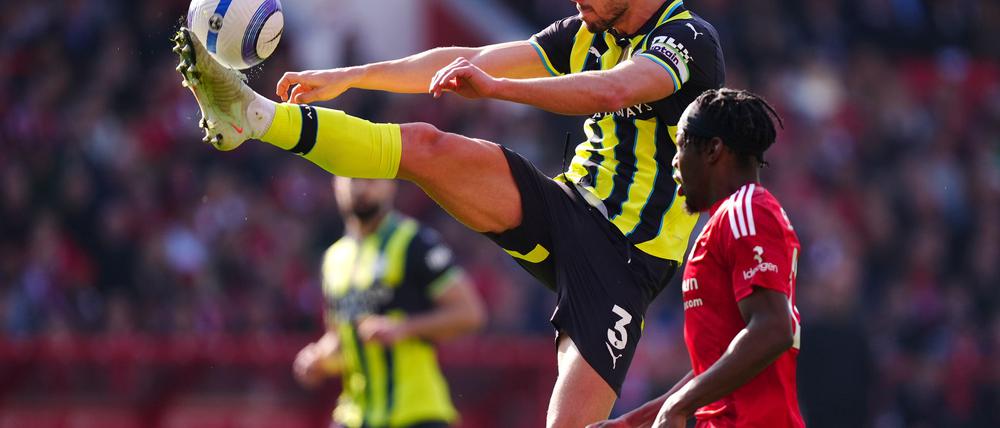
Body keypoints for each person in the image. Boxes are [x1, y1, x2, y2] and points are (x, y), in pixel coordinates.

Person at [172, 0, 724, 424]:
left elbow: (614, 90)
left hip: (627, 260)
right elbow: (464, 61)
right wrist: (348, 76)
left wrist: (497, 89)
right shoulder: (586, 30)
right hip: (566, 206)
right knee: (429, 147)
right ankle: (255, 117)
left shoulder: (688, 38)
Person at [589, 88, 804, 427]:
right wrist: (632, 422)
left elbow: (774, 328)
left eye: (681, 145)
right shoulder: (724, 221)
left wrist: (677, 407)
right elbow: (719, 364)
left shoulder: (746, 210)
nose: (674, 161)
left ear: (713, 149)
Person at [292, 177, 486, 428]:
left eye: (371, 180)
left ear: (391, 185)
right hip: (355, 417)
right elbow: (340, 338)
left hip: (417, 415)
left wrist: (404, 327)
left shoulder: (415, 243)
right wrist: (317, 359)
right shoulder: (334, 258)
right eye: (352, 180)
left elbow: (470, 313)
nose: (361, 189)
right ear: (335, 185)